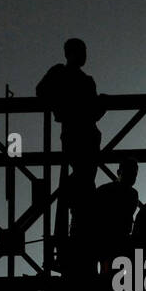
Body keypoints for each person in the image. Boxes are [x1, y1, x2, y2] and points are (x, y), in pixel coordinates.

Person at [36, 38, 107, 250]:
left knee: (84, 182)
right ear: (70, 52)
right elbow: (41, 93)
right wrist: (65, 106)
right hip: (77, 134)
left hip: (87, 134)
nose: (84, 55)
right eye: (81, 51)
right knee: (83, 182)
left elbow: (93, 114)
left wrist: (99, 105)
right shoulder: (62, 73)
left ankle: (78, 231)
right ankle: (77, 234)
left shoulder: (86, 80)